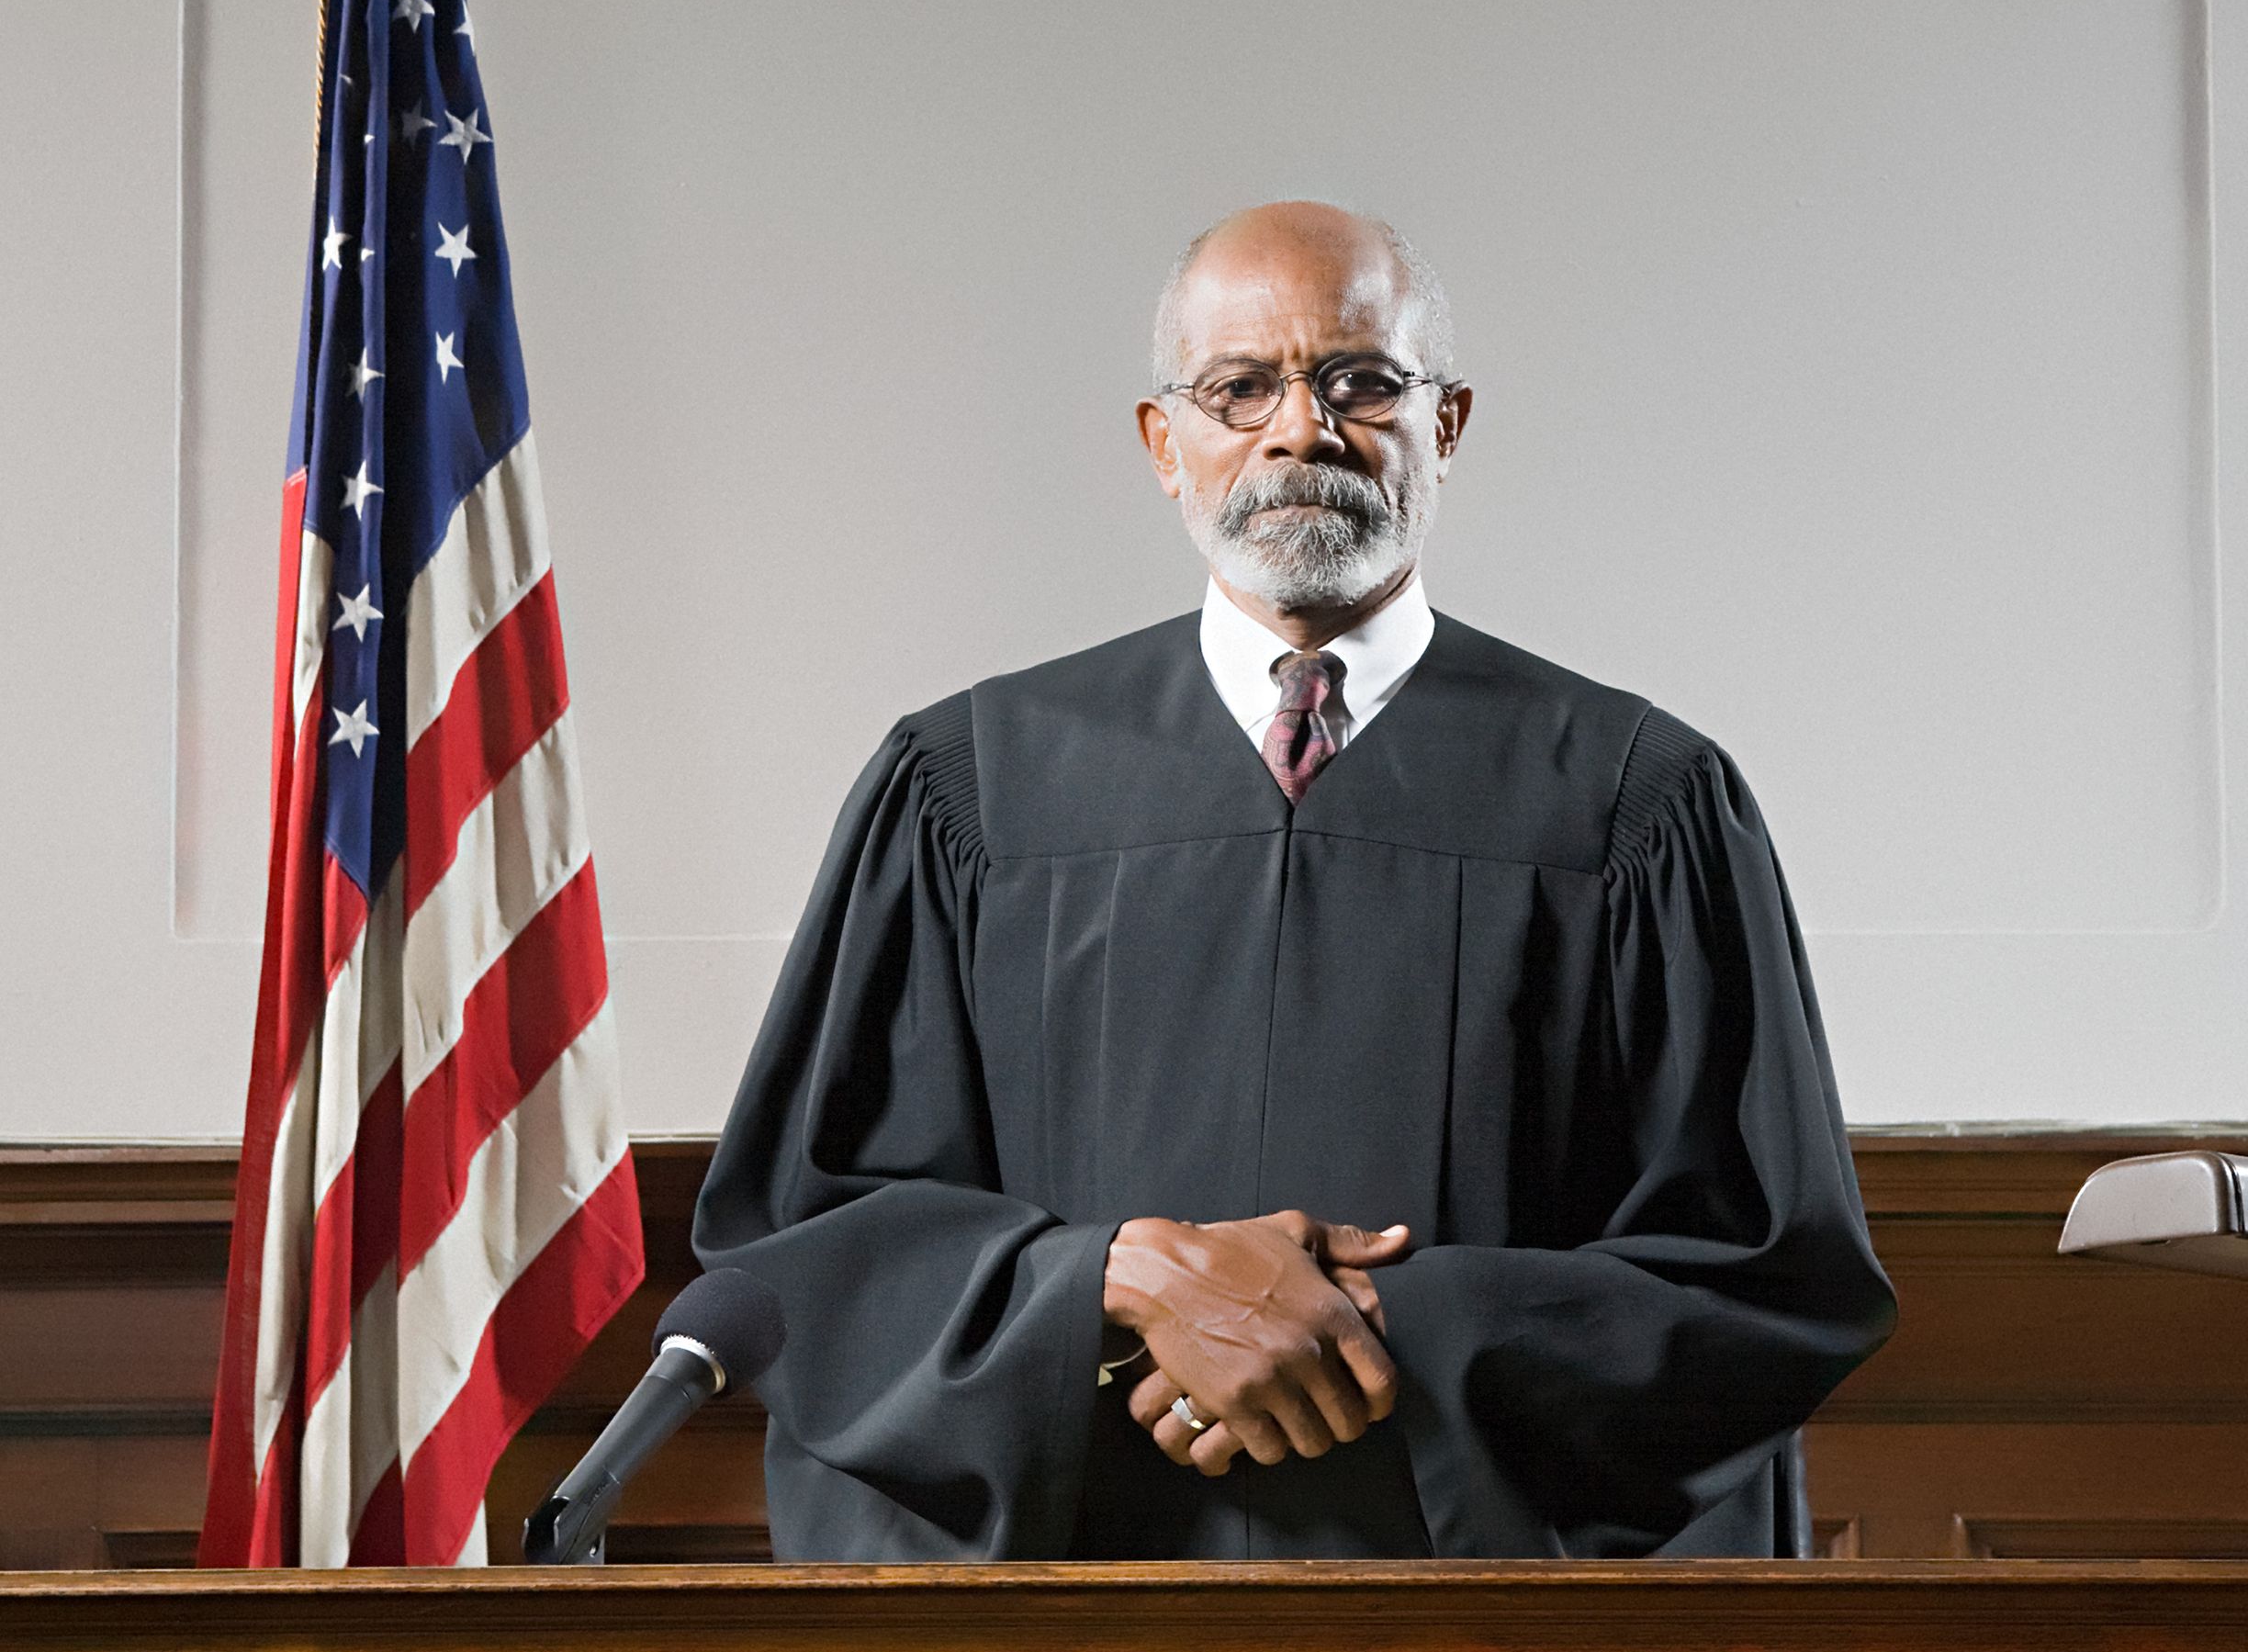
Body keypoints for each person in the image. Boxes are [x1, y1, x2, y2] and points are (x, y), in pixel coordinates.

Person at [693, 200, 1893, 1558]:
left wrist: (1349, 1335)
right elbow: (809, 1241)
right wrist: (1123, 1285)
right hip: (1076, 1623)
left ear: (1445, 425)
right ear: (1165, 443)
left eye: (1361, 382)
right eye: (1240, 387)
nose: (1299, 430)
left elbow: (1763, 1273)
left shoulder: (1635, 799)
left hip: (1486, 1644)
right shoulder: (972, 786)